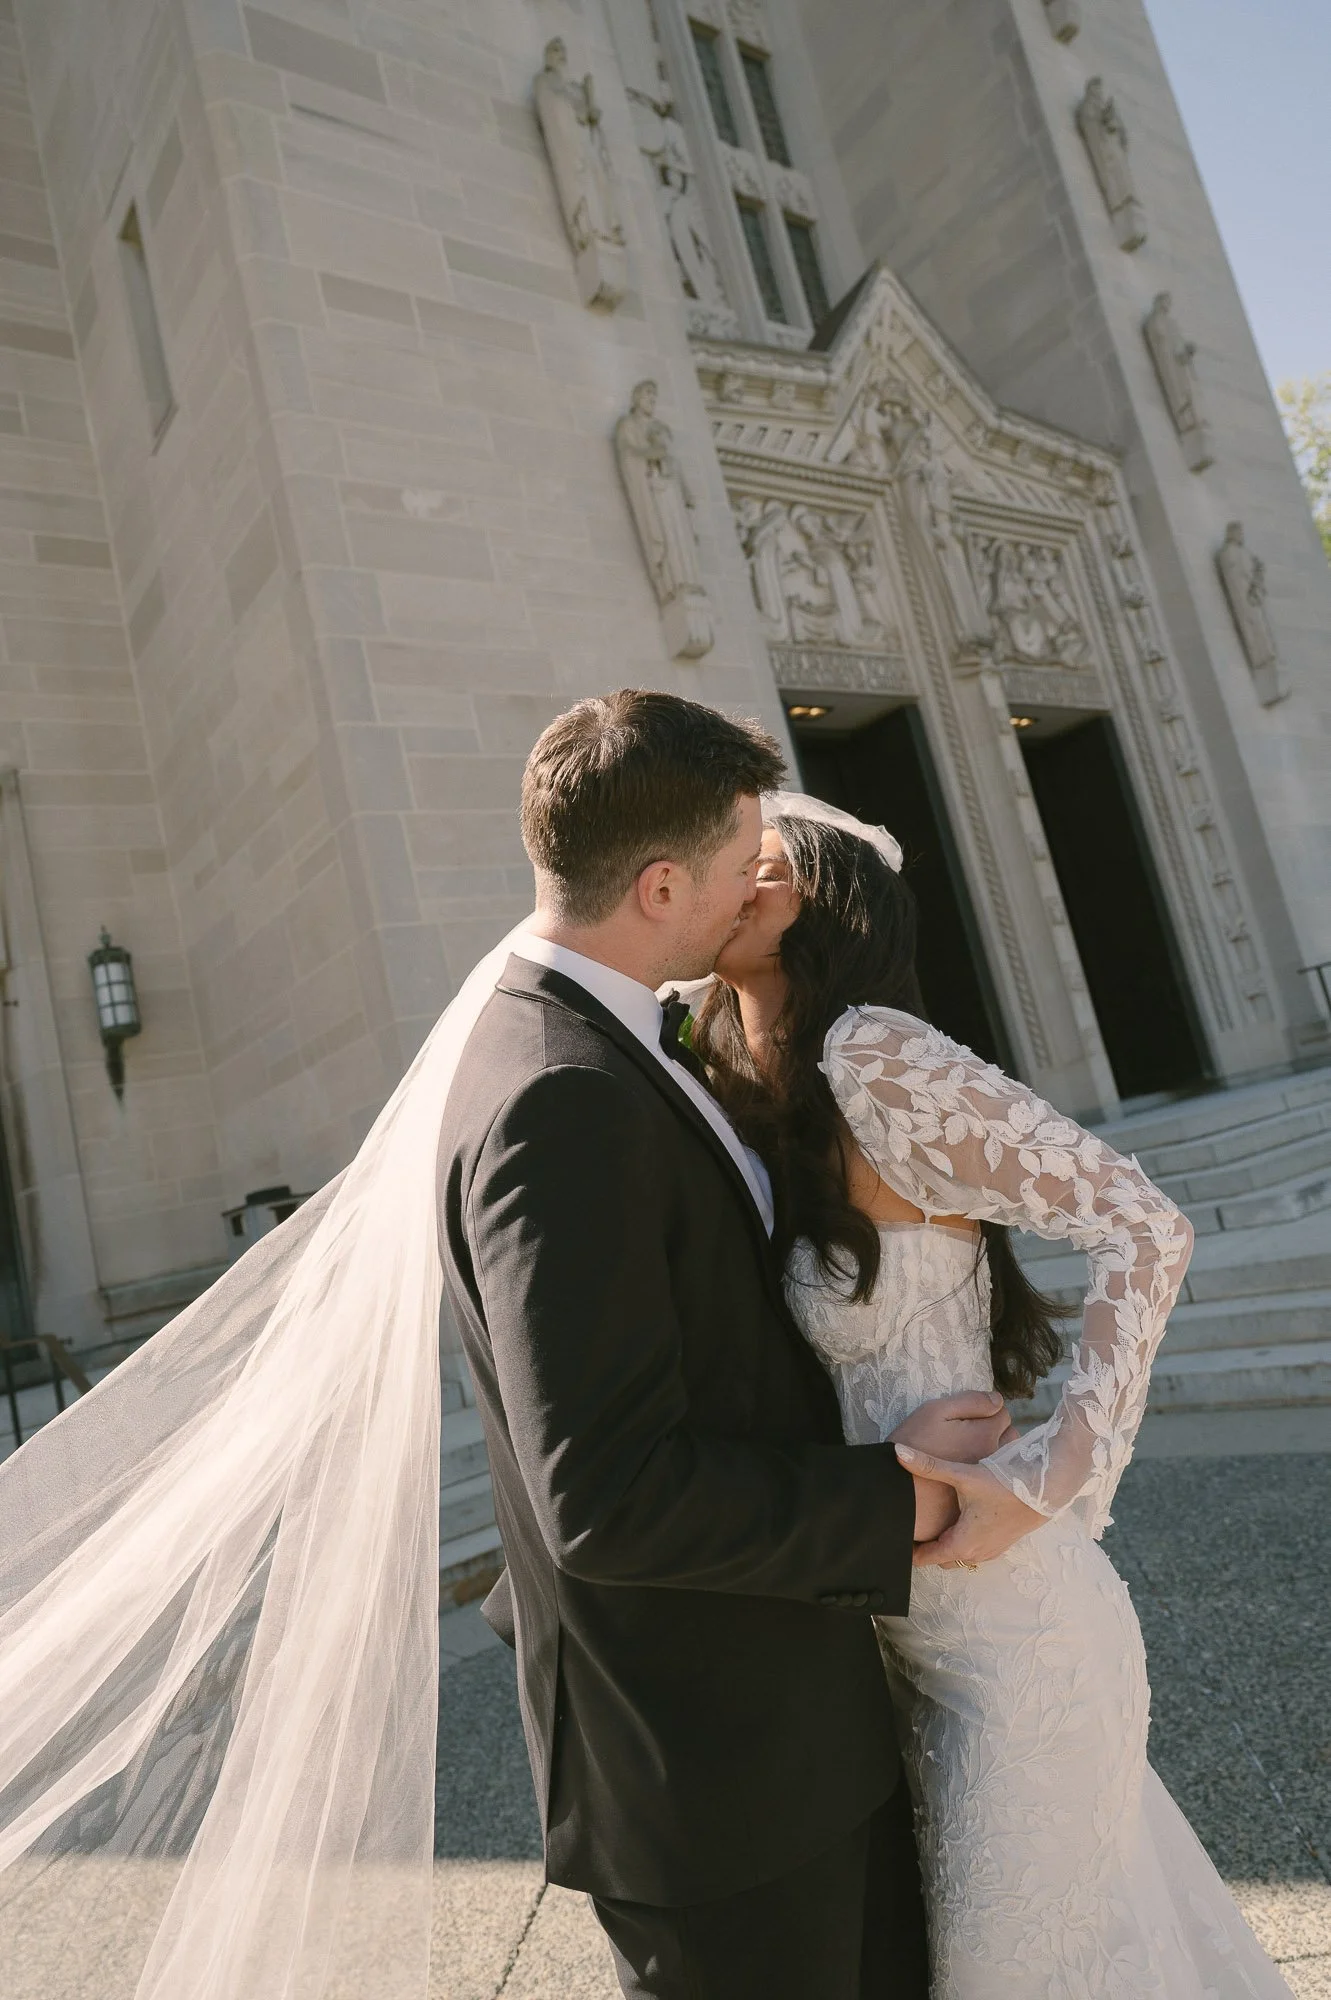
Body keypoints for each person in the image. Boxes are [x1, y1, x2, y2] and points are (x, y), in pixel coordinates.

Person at [437, 690, 1019, 2000]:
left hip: (778, 1732)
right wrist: (894, 1490)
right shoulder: (559, 1100)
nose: (762, 879)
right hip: (715, 1779)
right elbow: (607, 1492)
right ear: (656, 885)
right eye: (740, 859)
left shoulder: (605, 1041)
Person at [693, 794, 1295, 1998]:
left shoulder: (873, 1051)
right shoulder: (734, 1081)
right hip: (889, 1639)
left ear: (824, 898)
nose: (732, 886)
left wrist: (1057, 1472)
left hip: (1016, 1632)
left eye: (759, 868)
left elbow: (1142, 1222)